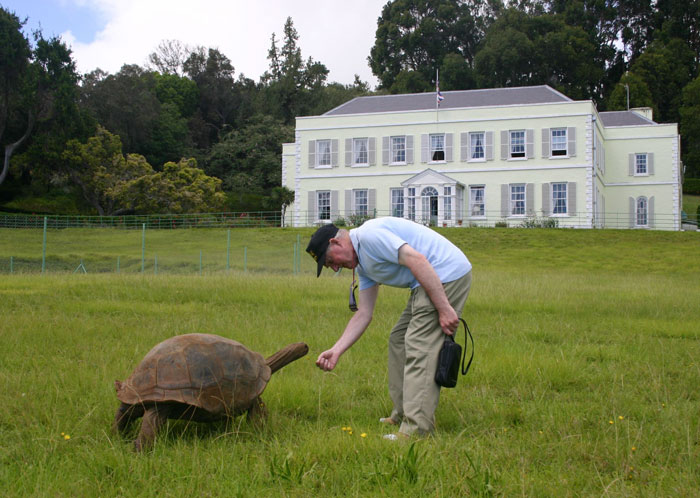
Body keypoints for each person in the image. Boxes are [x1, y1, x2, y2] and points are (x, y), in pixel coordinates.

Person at [306, 217, 472, 439]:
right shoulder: (363, 264)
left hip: (445, 274)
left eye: (330, 261)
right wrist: (337, 350)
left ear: (335, 242)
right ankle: (402, 413)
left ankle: (415, 430)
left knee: (420, 345)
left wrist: (444, 308)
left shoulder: (368, 237)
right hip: (426, 281)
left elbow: (417, 260)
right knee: (399, 339)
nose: (335, 268)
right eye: (330, 267)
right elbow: (364, 313)